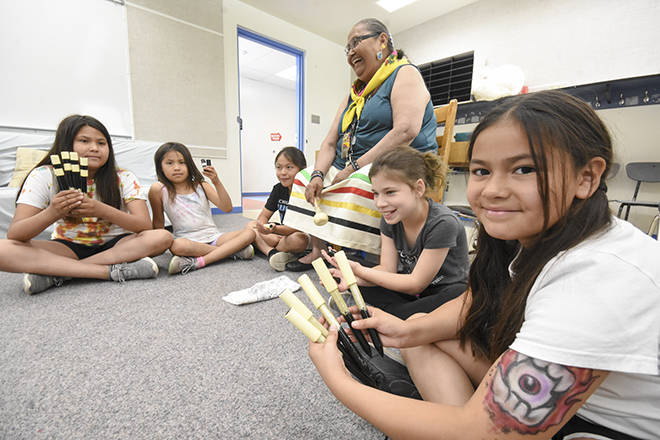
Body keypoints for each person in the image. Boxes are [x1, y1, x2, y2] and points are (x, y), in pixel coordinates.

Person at [308, 90, 660, 439]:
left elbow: (484, 432)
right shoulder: (532, 239)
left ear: (586, 177)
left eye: (524, 169)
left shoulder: (594, 281)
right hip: (584, 403)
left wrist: (338, 380)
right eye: (481, 171)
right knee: (418, 325)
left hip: (603, 425)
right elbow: (475, 298)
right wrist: (405, 332)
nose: (492, 190)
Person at [283, 18, 438, 271]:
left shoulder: (404, 72)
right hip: (353, 162)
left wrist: (354, 166)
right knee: (302, 178)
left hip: (399, 161)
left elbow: (405, 130)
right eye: (347, 48)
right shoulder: (353, 94)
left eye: (356, 42)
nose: (351, 52)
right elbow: (330, 142)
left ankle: (378, 259)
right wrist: (318, 175)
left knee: (361, 180)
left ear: (382, 40)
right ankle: (319, 250)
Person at [0, 114, 172, 294]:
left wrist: (101, 210)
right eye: (84, 141)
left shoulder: (123, 177)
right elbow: (16, 234)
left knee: (162, 237)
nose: (94, 148)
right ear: (65, 143)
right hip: (67, 246)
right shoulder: (44, 175)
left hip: (118, 245)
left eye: (101, 143)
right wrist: (53, 212)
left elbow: (144, 225)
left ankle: (59, 272)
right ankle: (106, 271)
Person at [322, 146, 468, 319]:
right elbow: (387, 269)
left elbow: (416, 284)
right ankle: (395, 314)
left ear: (418, 188)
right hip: (409, 289)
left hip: (443, 292)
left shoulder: (443, 223)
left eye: (390, 192)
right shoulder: (390, 218)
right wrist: (355, 280)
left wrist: (360, 272)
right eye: (376, 193)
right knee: (350, 269)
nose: (380, 203)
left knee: (458, 296)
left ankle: (386, 313)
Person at [149, 142, 255, 275]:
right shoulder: (158, 189)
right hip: (188, 241)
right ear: (160, 167)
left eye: (182, 162)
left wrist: (216, 181)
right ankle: (232, 252)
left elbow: (227, 208)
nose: (176, 167)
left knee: (251, 232)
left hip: (215, 238)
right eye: (169, 163)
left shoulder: (201, 185)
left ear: (189, 164)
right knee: (177, 246)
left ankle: (200, 261)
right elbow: (158, 222)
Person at [245, 147, 311, 271]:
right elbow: (263, 216)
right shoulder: (278, 189)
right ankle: (272, 252)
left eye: (289, 167)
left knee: (298, 240)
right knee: (250, 225)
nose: (283, 172)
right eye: (279, 167)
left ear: (302, 170)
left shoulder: (306, 191)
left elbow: (300, 227)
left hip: (299, 234)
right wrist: (263, 227)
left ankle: (263, 245)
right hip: (281, 234)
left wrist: (275, 230)